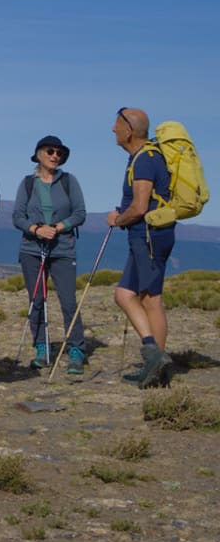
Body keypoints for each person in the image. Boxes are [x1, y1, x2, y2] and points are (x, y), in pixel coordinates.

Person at [106, 107, 175, 389]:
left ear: (129, 130)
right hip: (143, 236)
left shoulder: (145, 159)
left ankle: (156, 366)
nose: (113, 130)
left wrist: (118, 219)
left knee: (151, 299)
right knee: (124, 294)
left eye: (116, 125)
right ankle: (153, 358)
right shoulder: (140, 158)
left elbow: (140, 206)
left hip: (148, 235)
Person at [12, 136, 89, 374]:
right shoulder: (27, 183)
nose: (55, 156)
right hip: (32, 250)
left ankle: (76, 349)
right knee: (36, 300)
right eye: (50, 151)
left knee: (68, 301)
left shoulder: (69, 181)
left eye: (59, 153)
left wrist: (59, 227)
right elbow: (18, 216)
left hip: (62, 249)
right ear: (38, 154)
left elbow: (80, 213)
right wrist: (36, 229)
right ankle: (41, 348)